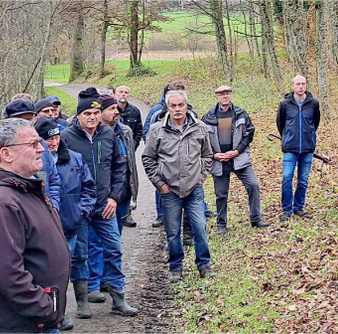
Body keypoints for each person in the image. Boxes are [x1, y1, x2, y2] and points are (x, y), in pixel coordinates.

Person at [0, 118, 68, 332]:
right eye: (32, 144)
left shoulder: (23, 188)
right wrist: (45, 307)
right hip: (12, 324)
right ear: (6, 154)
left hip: (32, 321)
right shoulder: (1, 203)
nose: (41, 149)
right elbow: (5, 273)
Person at [61, 87, 138, 316]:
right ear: (78, 116)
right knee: (80, 254)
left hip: (106, 206)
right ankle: (82, 301)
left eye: (95, 113)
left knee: (114, 249)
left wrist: (114, 197)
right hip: (80, 209)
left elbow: (119, 166)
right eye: (87, 114)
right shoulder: (67, 138)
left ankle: (118, 298)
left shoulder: (108, 135)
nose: (92, 117)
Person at [143, 90, 215, 281]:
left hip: (194, 188)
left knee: (200, 226)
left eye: (180, 105)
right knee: (173, 231)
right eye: (173, 106)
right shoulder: (157, 129)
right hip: (170, 190)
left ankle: (204, 265)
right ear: (167, 107)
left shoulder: (199, 127)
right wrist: (160, 184)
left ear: (186, 106)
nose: (177, 109)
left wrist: (201, 177)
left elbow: (208, 154)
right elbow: (148, 158)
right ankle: (176, 267)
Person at [40, 117, 94, 325]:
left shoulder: (75, 158)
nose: (53, 142)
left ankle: (82, 301)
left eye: (56, 137)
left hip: (74, 222)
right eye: (48, 139)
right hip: (48, 227)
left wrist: (82, 211)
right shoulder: (36, 163)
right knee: (53, 270)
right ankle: (57, 313)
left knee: (80, 259)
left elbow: (89, 187)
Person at [0, 99, 61, 212]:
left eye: (29, 119)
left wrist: (52, 208)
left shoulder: (42, 145)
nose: (25, 124)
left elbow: (53, 180)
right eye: (20, 120)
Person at [204, 85, 266, 234]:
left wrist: (237, 151)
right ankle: (221, 225)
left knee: (253, 185)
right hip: (219, 161)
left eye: (227, 93)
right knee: (221, 194)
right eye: (221, 94)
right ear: (216, 97)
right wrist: (214, 155)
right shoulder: (208, 117)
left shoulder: (241, 114)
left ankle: (256, 219)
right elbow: (202, 141)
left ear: (231, 95)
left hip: (239, 158)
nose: (225, 96)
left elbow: (249, 134)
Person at [276, 75, 321, 222]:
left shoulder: (313, 103)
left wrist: (309, 137)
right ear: (293, 86)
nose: (300, 86)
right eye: (298, 84)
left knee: (303, 180)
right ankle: (287, 210)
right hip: (290, 148)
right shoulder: (285, 104)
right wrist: (288, 137)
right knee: (287, 178)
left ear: (306, 85)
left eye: (303, 84)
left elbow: (315, 123)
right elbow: (280, 124)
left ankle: (299, 207)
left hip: (307, 149)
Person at [100, 94, 138, 228]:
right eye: (111, 109)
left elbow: (130, 163)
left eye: (116, 108)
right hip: (104, 194)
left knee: (117, 231)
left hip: (123, 191)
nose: (116, 111)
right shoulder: (96, 134)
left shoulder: (125, 131)